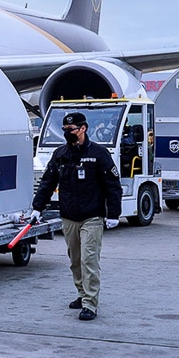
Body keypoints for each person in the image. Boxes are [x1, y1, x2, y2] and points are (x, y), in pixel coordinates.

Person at [31, 112, 122, 321]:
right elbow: (48, 182)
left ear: (83, 129)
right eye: (64, 130)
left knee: (89, 259)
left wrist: (114, 213)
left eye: (70, 130)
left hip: (92, 217)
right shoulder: (61, 154)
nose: (67, 133)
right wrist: (37, 208)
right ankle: (82, 294)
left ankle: (90, 303)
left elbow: (112, 186)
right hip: (69, 216)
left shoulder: (99, 154)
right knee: (75, 260)